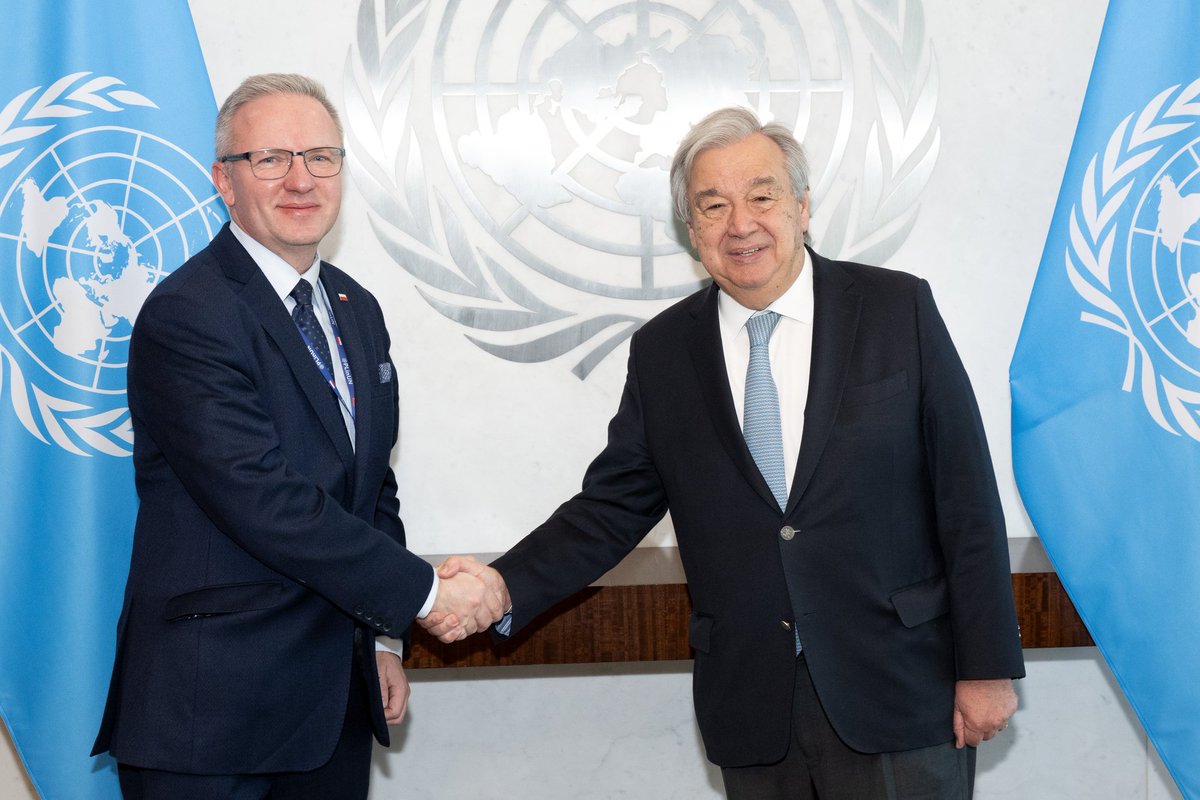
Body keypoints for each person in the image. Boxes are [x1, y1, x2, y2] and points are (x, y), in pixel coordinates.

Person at [428, 107, 1025, 799]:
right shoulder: (664, 352)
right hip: (753, 702)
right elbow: (609, 510)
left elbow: (967, 498)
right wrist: (501, 586)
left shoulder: (897, 310)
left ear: (802, 207)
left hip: (898, 688)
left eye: (762, 196)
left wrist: (986, 666)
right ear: (693, 232)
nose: (741, 223)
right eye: (714, 205)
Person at [91, 73, 503, 799]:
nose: (300, 179)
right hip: (211, 718)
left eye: (320, 156)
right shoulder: (189, 313)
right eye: (271, 159)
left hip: (332, 706)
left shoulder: (356, 308)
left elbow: (372, 485)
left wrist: (381, 635)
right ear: (223, 180)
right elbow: (264, 500)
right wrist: (426, 593)